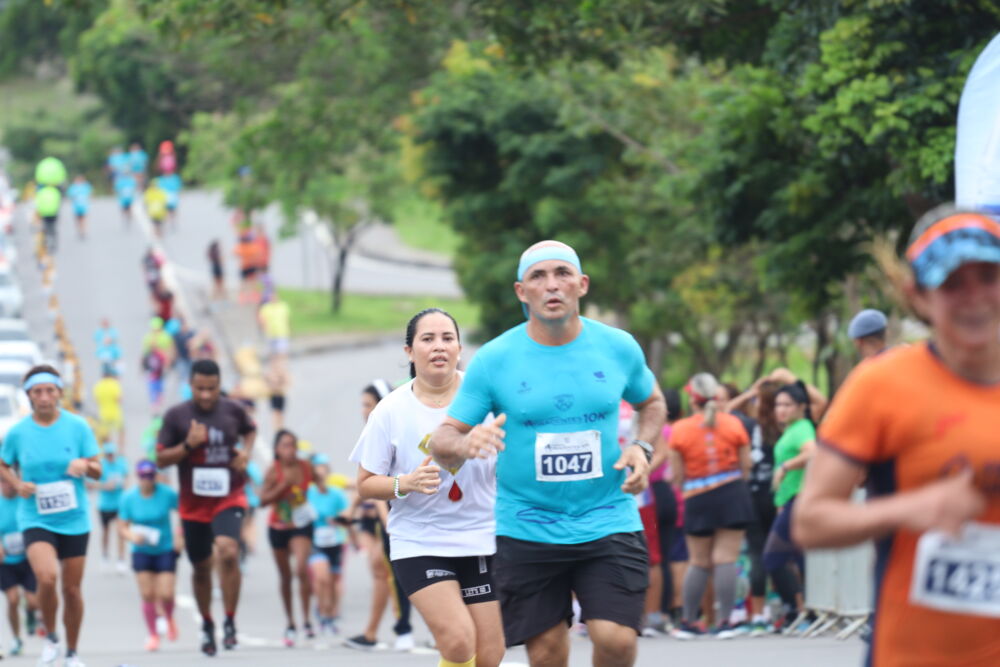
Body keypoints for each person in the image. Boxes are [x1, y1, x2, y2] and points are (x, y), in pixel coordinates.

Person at [432, 240, 666, 667]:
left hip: (608, 516)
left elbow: (653, 403)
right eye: (538, 277)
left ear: (582, 284)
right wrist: (466, 444)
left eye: (562, 274)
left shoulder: (618, 347)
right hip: (527, 525)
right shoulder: (495, 359)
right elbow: (442, 439)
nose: (552, 285)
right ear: (522, 292)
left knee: (616, 641)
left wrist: (641, 446)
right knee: (546, 654)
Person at [795, 206, 1000, 667]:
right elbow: (809, 521)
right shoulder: (882, 386)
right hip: (914, 654)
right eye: (952, 284)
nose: (975, 298)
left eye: (988, 276)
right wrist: (912, 508)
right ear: (919, 297)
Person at [353, 309, 504, 667]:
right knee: (457, 640)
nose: (439, 347)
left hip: (482, 536)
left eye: (447, 338)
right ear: (409, 351)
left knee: (490, 654)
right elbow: (365, 484)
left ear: (459, 348)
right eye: (428, 339)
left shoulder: (486, 399)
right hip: (420, 540)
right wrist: (403, 483)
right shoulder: (389, 411)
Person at [0, 365, 100, 667]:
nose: (44, 398)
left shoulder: (78, 426)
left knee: (71, 589)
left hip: (74, 518)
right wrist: (17, 484)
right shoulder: (17, 432)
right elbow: (3, 464)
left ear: (59, 393)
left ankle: (71, 651)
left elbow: (98, 468)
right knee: (46, 577)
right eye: (37, 392)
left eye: (50, 391)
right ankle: (51, 636)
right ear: (29, 396)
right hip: (35, 517)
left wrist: (85, 465)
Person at [155, 359, 256, 656]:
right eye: (200, 389)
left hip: (229, 495)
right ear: (191, 385)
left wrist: (246, 454)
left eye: (212, 389)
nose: (206, 395)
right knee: (201, 568)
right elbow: (161, 459)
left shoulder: (233, 410)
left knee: (227, 549)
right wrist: (188, 445)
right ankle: (208, 625)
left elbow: (250, 431)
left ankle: (229, 620)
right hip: (193, 504)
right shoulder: (176, 416)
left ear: (219, 385)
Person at [666, 373, 752, 639]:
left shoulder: (680, 429)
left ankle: (688, 622)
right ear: (715, 396)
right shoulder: (734, 424)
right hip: (732, 492)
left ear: (692, 400)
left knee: (698, 561)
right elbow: (746, 466)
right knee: (726, 558)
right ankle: (726, 621)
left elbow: (676, 476)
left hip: (697, 497)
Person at [763, 381, 817, 627]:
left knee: (773, 557)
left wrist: (785, 467)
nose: (781, 410)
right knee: (799, 558)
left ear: (801, 407)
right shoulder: (792, 429)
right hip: (788, 500)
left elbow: (812, 452)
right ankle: (806, 611)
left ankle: (801, 610)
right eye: (778, 405)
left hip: (800, 499)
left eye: (787, 405)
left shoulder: (802, 428)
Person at [259, 429, 316, 646]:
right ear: (276, 450)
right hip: (278, 526)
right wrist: (282, 487)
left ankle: (307, 619)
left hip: (301, 524)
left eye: (293, 445)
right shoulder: (273, 471)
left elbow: (319, 479)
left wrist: (320, 485)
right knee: (285, 576)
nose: (290, 450)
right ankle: (291, 622)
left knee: (301, 569)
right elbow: (262, 501)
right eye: (285, 445)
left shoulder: (305, 467)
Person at [118, 459, 180, 652]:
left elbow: (184, 513)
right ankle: (153, 634)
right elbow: (122, 526)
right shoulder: (129, 498)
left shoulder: (166, 494)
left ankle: (168, 618)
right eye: (144, 477)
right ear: (139, 477)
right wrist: (131, 536)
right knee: (147, 594)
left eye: (151, 476)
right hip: (141, 550)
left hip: (165, 547)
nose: (148, 480)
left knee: (166, 592)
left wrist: (180, 536)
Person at [306, 454, 351, 636]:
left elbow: (348, 517)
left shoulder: (337, 494)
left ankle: (331, 615)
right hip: (315, 541)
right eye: (317, 469)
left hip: (335, 542)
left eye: (323, 469)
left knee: (333, 581)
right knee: (321, 577)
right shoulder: (307, 493)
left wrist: (339, 521)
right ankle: (323, 613)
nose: (320, 473)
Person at [0, 474, 39, 658]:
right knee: (13, 599)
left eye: (9, 481)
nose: (7, 485)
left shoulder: (25, 502)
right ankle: (16, 638)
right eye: (3, 482)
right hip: (5, 562)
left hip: (27, 559)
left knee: (33, 601)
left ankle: (31, 614)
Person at [93, 443, 129, 573]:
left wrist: (125, 487)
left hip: (119, 504)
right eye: (108, 455)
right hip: (105, 505)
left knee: (121, 532)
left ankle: (121, 559)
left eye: (112, 454)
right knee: (106, 531)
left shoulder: (121, 463)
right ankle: (105, 554)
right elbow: (91, 485)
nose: (110, 457)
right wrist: (104, 486)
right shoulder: (101, 465)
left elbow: (127, 478)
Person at [93, 368, 124, 448]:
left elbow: (97, 400)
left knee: (107, 435)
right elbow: (118, 399)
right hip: (115, 413)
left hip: (103, 413)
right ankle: (120, 451)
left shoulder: (98, 385)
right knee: (121, 431)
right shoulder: (114, 384)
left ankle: (109, 450)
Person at [34, 185, 61, 253]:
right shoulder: (55, 191)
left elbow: (38, 203)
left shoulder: (41, 192)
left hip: (44, 212)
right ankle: (53, 243)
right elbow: (58, 202)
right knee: (52, 228)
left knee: (45, 228)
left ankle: (46, 243)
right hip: (53, 212)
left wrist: (38, 212)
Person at [65, 175, 92, 240]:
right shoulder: (73, 187)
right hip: (76, 207)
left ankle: (83, 231)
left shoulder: (85, 186)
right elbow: (70, 196)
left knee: (83, 219)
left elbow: (89, 194)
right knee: (77, 220)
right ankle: (80, 230)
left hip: (83, 206)